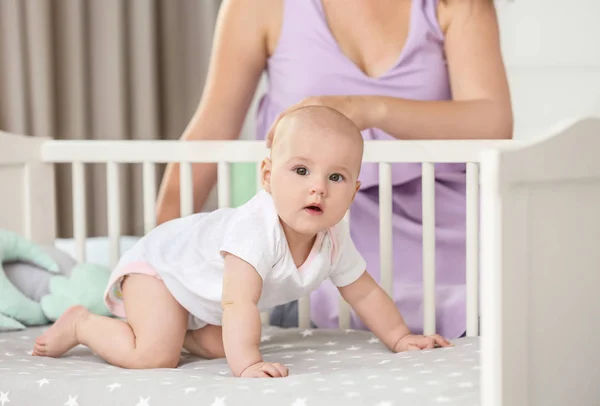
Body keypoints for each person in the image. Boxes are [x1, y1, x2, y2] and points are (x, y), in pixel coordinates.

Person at [155, 0, 513, 338]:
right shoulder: (259, 6)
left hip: (450, 231)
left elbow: (494, 123)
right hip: (322, 233)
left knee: (501, 307)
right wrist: (155, 257)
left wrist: (367, 109)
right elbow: (211, 134)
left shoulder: (457, 5)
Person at [31, 106, 453, 377]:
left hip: (200, 296)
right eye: (301, 171)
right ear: (268, 176)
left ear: (353, 190)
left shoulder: (333, 236)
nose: (318, 189)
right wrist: (249, 364)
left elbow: (364, 292)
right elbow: (237, 303)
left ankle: (180, 330)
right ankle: (81, 324)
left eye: (336, 177)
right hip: (161, 269)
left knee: (217, 345)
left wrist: (399, 337)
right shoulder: (257, 228)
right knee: (156, 356)